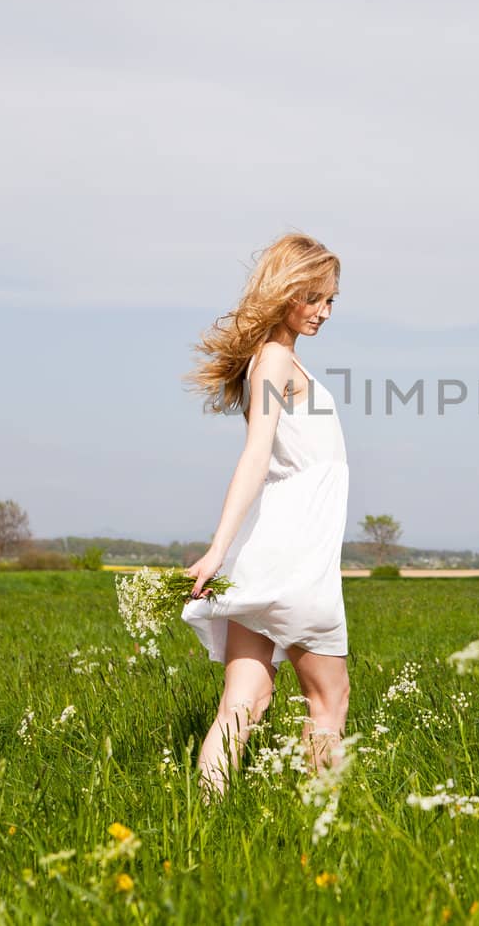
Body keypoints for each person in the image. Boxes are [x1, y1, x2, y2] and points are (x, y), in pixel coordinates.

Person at [180, 232, 351, 800]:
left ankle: (202, 818)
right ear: (285, 293)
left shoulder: (270, 360)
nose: (325, 312)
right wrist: (214, 548)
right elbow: (256, 454)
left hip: (266, 550)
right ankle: (320, 826)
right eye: (315, 298)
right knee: (329, 701)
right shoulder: (276, 360)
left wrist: (226, 553)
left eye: (331, 301)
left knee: (243, 702)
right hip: (297, 554)